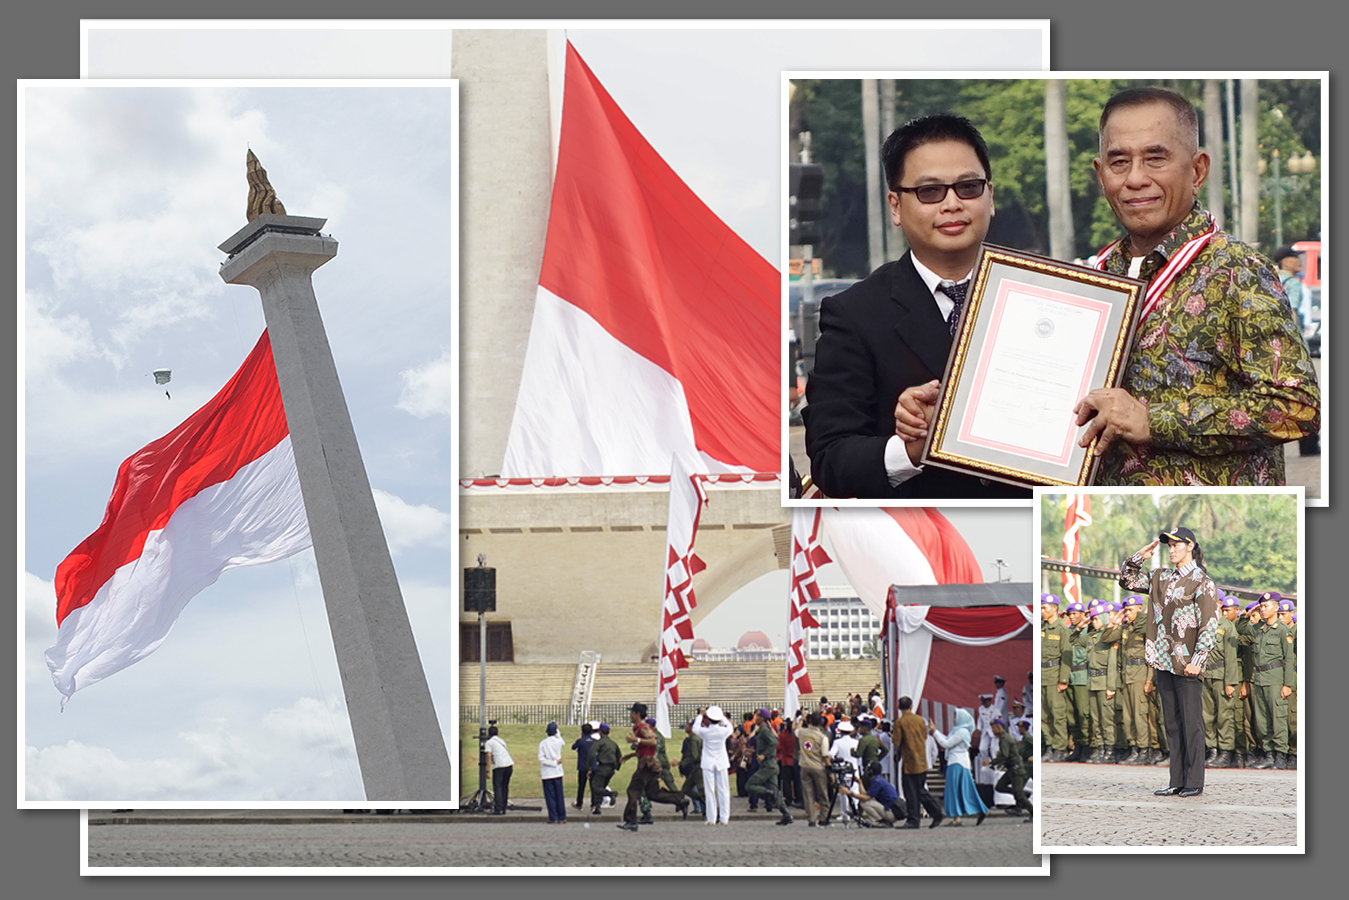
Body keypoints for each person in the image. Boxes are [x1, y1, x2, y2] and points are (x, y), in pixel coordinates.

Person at [1076, 86, 1319, 485]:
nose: (1136, 178)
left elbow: (1298, 406)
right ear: (1101, 174)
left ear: (1197, 170)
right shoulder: (1097, 276)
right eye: (1119, 162)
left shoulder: (1238, 270)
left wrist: (1152, 420)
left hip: (1217, 526)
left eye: (1156, 158)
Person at [803, 113, 1029, 500]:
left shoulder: (1044, 300)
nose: (953, 204)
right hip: (922, 538)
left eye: (969, 187)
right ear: (895, 206)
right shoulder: (855, 315)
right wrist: (911, 448)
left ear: (990, 196)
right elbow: (831, 458)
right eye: (930, 192)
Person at [1119, 526, 1221, 796]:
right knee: (1172, 724)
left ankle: (1194, 782)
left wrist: (1198, 660)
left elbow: (1209, 625)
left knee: (1191, 723)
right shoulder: (1160, 578)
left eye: (1177, 544)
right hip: (1164, 661)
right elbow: (1128, 581)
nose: (1172, 549)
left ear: (1191, 547)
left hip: (1188, 664)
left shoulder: (1202, 582)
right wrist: (1138, 556)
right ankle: (1176, 780)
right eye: (1168, 545)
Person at [1239, 591, 1296, 769]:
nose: (1262, 610)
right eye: (1261, 606)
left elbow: (1288, 659)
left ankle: (1280, 755)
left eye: (1266, 606)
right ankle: (1268, 754)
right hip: (1260, 678)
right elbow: (1241, 630)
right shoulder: (1259, 629)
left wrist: (1288, 684)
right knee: (1262, 718)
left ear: (1276, 608)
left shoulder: (1283, 631)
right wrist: (1249, 614)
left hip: (1276, 678)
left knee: (1277, 717)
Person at [617, 703, 688, 832]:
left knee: (633, 791)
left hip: (647, 766)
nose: (630, 715)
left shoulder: (643, 727)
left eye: (632, 713)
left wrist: (636, 740)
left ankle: (631, 821)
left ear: (637, 714)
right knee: (652, 794)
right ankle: (679, 799)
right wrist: (631, 754)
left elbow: (654, 741)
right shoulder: (638, 728)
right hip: (649, 764)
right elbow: (647, 748)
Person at [1201, 593, 1242, 769]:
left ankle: (1225, 751)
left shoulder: (1226, 626)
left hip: (1221, 676)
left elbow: (1231, 658)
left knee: (1224, 715)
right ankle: (1212, 749)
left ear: (1218, 603)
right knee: (1207, 716)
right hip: (1205, 675)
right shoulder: (1203, 624)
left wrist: (1230, 682)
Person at [929, 707, 987, 826]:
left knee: (955, 790)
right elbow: (947, 740)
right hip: (959, 762)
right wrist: (936, 731)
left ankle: (960, 817)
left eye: (955, 717)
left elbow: (946, 743)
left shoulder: (961, 732)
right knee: (963, 790)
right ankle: (972, 812)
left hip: (956, 763)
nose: (953, 719)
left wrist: (935, 732)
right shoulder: (958, 731)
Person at [894, 696, 944, 829]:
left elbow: (896, 741)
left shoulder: (900, 722)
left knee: (911, 792)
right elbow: (924, 736)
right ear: (911, 706)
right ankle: (934, 812)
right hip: (922, 760)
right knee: (919, 790)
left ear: (899, 708)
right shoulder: (920, 721)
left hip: (909, 762)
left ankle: (915, 819)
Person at [744, 708, 793, 825]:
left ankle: (769, 793)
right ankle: (786, 814)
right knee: (775, 791)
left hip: (768, 765)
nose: (756, 719)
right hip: (770, 765)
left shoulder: (764, 730)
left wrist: (764, 756)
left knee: (750, 785)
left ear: (763, 719)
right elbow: (764, 747)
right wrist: (754, 752)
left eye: (758, 717)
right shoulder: (762, 730)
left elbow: (774, 743)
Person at [1040, 594, 1073, 762]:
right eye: (1041, 608)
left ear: (1054, 609)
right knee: (1043, 715)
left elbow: (1067, 657)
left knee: (1057, 714)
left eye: (1045, 608)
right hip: (1041, 676)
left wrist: (1063, 680)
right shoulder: (1041, 628)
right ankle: (1050, 745)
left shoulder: (1062, 630)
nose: (1042, 611)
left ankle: (1060, 748)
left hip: (1054, 675)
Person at [692, 704, 734, 825]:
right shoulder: (724, 731)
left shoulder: (705, 732)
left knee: (709, 790)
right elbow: (730, 726)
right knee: (724, 789)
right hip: (721, 761)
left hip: (708, 761)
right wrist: (722, 717)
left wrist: (700, 714)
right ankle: (724, 818)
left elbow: (695, 727)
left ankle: (711, 818)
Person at [983, 718, 1032, 822]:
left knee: (1018, 795)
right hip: (1011, 769)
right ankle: (1022, 793)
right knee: (1000, 786)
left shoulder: (1005, 739)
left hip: (1016, 769)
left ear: (999, 728)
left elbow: (1004, 755)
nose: (992, 730)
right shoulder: (1003, 738)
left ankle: (1033, 812)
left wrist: (991, 762)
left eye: (993, 728)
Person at [837, 762, 906, 828]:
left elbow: (865, 799)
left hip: (891, 813)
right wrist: (860, 783)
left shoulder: (877, 782)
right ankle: (884, 821)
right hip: (892, 812)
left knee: (864, 803)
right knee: (866, 801)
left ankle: (879, 821)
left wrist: (849, 793)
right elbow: (865, 795)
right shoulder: (879, 779)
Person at [796, 712, 831, 827]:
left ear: (809, 721)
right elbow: (825, 755)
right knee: (822, 793)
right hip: (818, 767)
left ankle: (811, 818)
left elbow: (795, 729)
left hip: (805, 766)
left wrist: (801, 718)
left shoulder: (802, 732)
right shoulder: (822, 737)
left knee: (808, 794)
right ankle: (824, 816)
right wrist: (830, 770)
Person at [1272, 246, 1310, 333]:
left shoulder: (1273, 281)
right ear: (1286, 263)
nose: (1299, 260)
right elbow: (1292, 311)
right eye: (1296, 257)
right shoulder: (1293, 284)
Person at [588, 722, 621, 815]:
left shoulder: (600, 743)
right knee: (601, 785)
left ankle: (610, 794)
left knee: (595, 786)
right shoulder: (613, 743)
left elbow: (591, 754)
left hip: (602, 767)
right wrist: (617, 767)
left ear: (600, 732)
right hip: (611, 769)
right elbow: (619, 756)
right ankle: (597, 806)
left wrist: (589, 767)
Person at [538, 722, 566, 824]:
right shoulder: (558, 741)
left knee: (550, 796)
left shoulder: (543, 743)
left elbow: (541, 758)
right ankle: (562, 816)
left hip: (547, 773)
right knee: (559, 795)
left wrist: (552, 763)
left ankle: (553, 817)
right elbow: (562, 741)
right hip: (557, 771)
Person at [483, 725, 513, 815]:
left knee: (498, 787)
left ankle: (498, 808)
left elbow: (488, 756)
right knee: (504, 787)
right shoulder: (501, 741)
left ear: (489, 734)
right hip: (509, 765)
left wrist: (487, 770)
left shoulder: (489, 743)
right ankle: (503, 807)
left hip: (499, 766)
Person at [679, 718, 705, 816]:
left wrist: (681, 763)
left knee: (701, 790)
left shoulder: (694, 739)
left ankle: (709, 806)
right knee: (686, 789)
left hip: (698, 768)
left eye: (688, 725)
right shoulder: (693, 738)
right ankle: (704, 803)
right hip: (696, 767)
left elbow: (694, 757)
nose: (686, 727)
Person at [570, 722, 596, 810]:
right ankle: (594, 804)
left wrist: (579, 737)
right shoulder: (594, 741)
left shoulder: (580, 741)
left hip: (583, 766)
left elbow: (573, 747)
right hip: (593, 767)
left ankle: (579, 803)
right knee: (593, 786)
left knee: (581, 786)